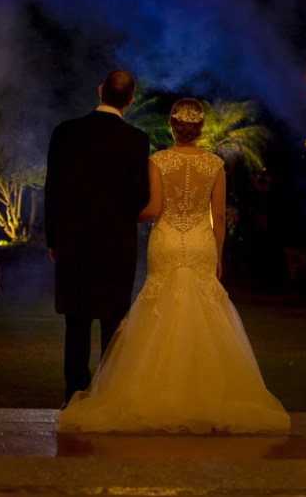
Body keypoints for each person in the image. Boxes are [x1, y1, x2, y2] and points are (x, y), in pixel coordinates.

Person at [57, 98, 290, 433]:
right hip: (200, 243)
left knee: (160, 309)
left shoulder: (158, 161)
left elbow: (152, 209)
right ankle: (204, 395)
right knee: (204, 315)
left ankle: (153, 393)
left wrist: (123, 219)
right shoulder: (214, 165)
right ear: (200, 128)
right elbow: (220, 216)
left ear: (172, 126)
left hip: (166, 240)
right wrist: (218, 253)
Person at [45, 69, 151, 405]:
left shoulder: (65, 132)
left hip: (73, 242)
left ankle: (74, 393)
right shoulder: (135, 140)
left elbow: (52, 191)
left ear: (100, 90)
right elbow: (139, 196)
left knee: (76, 323)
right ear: (131, 101)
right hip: (116, 244)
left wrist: (52, 240)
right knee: (112, 323)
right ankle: (108, 394)